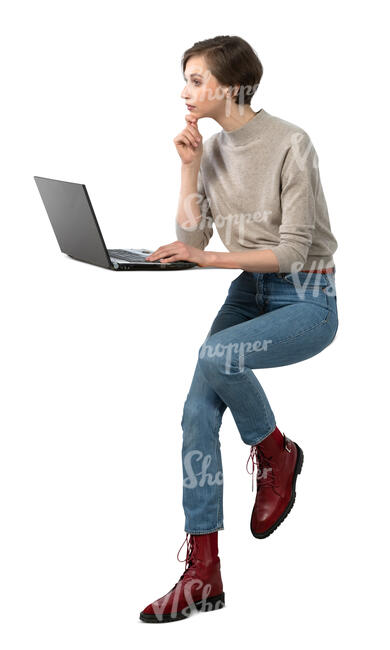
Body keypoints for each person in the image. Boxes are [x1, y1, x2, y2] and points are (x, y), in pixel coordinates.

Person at [140, 35, 338, 623]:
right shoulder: (213, 148)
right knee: (196, 412)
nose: (185, 91)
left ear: (230, 86)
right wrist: (188, 170)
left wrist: (203, 260)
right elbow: (197, 239)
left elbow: (294, 253)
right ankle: (204, 571)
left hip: (307, 295)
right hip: (247, 292)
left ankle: (275, 452)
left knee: (217, 354)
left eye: (196, 80)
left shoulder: (291, 144)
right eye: (187, 80)